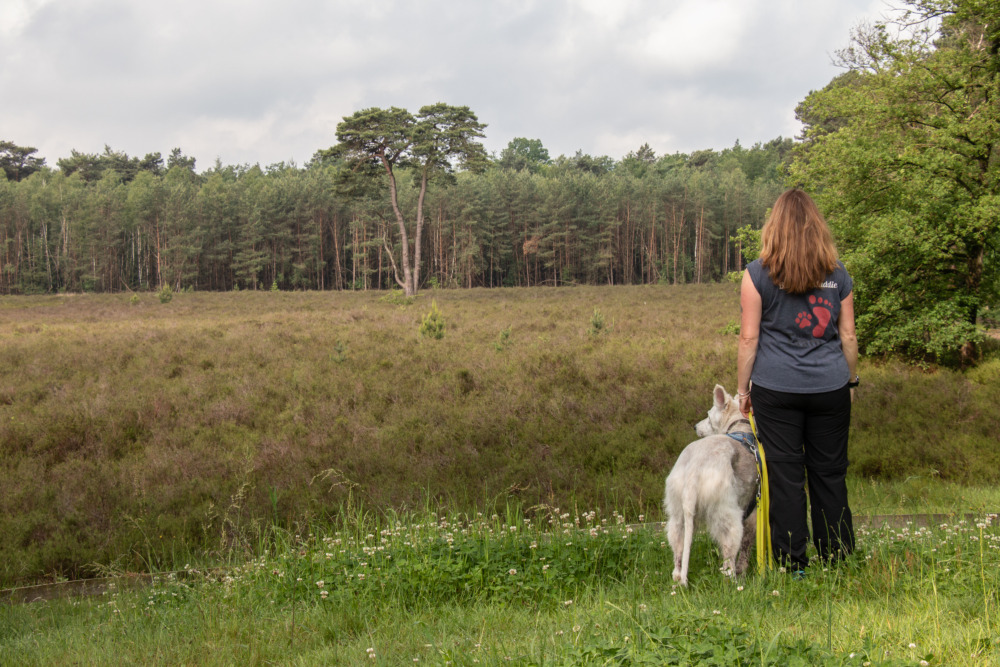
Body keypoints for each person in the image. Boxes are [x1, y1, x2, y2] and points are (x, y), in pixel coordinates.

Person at [736, 188, 859, 572]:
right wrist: (851, 382)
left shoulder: (757, 274)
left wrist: (743, 391)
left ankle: (794, 566)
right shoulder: (838, 275)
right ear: (817, 228)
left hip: (776, 390)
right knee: (829, 474)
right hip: (830, 388)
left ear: (774, 227)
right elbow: (849, 336)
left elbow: (749, 338)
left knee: (786, 477)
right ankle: (837, 560)